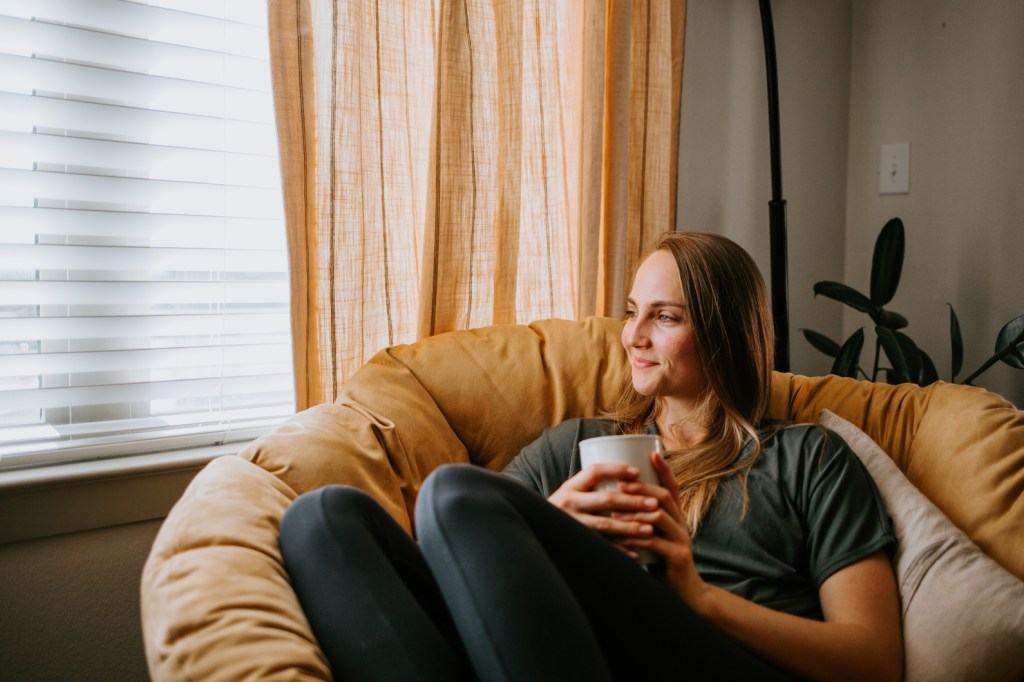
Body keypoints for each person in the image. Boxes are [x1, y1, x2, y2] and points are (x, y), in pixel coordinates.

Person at [279, 231, 903, 681]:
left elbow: (874, 661)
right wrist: (550, 527)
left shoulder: (807, 458)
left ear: (725, 332)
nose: (633, 335)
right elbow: (453, 578)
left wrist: (697, 597)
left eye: (665, 317)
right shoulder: (574, 446)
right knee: (323, 519)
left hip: (712, 655)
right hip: (565, 654)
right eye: (633, 313)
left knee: (454, 493)